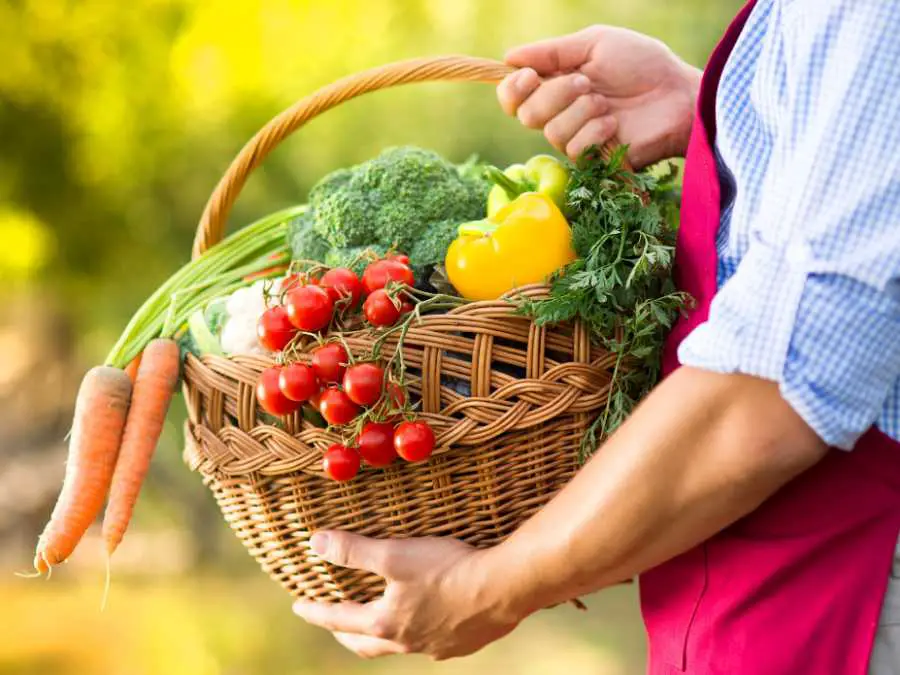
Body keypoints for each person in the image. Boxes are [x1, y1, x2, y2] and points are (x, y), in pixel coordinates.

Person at [293, 2, 900, 672]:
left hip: (850, 592)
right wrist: (722, 112)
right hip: (752, 592)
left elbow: (780, 383)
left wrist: (486, 589)